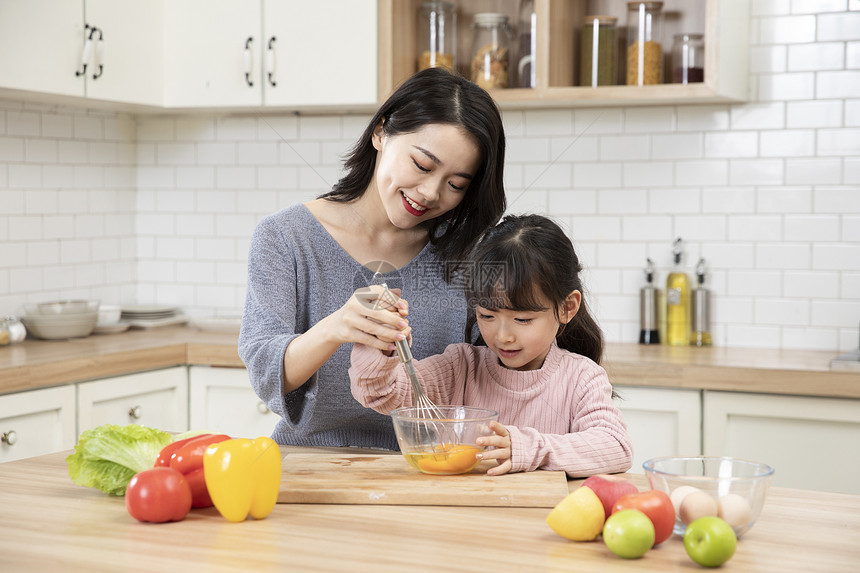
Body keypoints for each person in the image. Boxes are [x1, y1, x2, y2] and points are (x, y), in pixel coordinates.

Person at [239, 67, 507, 449]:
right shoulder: (285, 237)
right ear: (381, 132)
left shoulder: (469, 255)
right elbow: (267, 375)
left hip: (430, 469)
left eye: (455, 184)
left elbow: (499, 374)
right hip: (310, 465)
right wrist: (336, 328)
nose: (430, 192)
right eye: (422, 165)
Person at [349, 214, 633, 477]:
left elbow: (615, 446)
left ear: (567, 307)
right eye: (487, 315)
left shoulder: (582, 378)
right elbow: (380, 393)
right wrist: (381, 342)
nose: (503, 336)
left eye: (522, 319)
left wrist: (528, 448)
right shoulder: (459, 368)